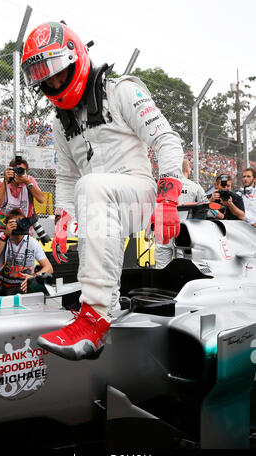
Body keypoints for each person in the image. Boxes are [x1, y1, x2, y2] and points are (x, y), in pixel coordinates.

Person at [21, 21, 184, 360]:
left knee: (91, 186)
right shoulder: (59, 121)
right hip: (98, 205)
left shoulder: (121, 90)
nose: (52, 82)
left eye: (57, 71)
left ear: (75, 58)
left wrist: (168, 196)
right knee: (88, 187)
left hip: (141, 196)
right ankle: (100, 310)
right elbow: (65, 176)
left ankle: (93, 319)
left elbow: (167, 140)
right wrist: (64, 216)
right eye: (44, 77)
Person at [155, 158, 206, 269]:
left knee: (161, 269)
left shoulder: (161, 186)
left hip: (163, 231)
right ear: (188, 169)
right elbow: (206, 209)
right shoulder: (195, 187)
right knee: (184, 268)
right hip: (184, 233)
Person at [0, 208, 53, 296]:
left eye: (20, 222)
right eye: (13, 223)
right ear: (6, 225)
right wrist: (6, 235)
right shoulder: (1, 237)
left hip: (25, 286)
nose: (17, 225)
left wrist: (33, 276)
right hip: (3, 286)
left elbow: (49, 268)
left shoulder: (32, 242)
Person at [0, 156, 45, 234]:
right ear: (11, 170)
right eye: (16, 170)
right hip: (4, 228)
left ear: (26, 172)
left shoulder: (29, 180)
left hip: (24, 228)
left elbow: (41, 200)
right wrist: (6, 180)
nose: (19, 173)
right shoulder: (1, 182)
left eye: (22, 171)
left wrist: (27, 182)